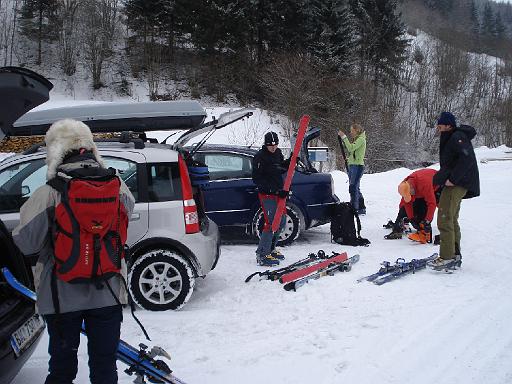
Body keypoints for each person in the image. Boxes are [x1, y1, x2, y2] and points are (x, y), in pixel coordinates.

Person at [12, 119, 135, 384]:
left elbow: (26, 243)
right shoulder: (117, 185)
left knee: (62, 369)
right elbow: (124, 219)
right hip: (109, 291)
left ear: (55, 152)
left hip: (60, 296)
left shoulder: (48, 193)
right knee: (105, 367)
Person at [427, 112, 480, 269]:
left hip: (457, 184)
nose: (438, 128)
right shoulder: (452, 137)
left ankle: (447, 257)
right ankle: (454, 254)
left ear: (448, 125)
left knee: (444, 218)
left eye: (441, 125)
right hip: (457, 183)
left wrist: (453, 179)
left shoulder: (457, 137)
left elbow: (467, 159)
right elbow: (451, 162)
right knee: (451, 218)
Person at [252, 131, 290, 267]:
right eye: (270, 145)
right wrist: (273, 190)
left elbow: (280, 169)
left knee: (281, 221)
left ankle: (271, 249)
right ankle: (262, 254)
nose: (273, 147)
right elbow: (256, 179)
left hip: (280, 193)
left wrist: (290, 162)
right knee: (271, 223)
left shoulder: (278, 153)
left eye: (275, 144)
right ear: (265, 144)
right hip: (267, 194)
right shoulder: (259, 157)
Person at [384, 168, 440, 243]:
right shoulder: (405, 186)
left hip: (438, 185)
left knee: (427, 208)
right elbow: (406, 203)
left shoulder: (424, 184)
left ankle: (428, 234)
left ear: (412, 188)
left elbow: (431, 204)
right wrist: (411, 218)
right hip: (421, 188)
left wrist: (427, 221)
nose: (410, 196)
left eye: (410, 194)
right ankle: (419, 230)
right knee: (413, 206)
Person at [338, 123, 367, 215]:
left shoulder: (361, 140)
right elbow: (354, 153)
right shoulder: (358, 139)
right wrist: (349, 159)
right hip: (354, 165)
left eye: (352, 130)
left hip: (357, 167)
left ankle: (354, 208)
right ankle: (361, 208)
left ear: (357, 130)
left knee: (353, 187)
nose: (350, 132)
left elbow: (350, 148)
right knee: (356, 187)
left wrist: (344, 137)